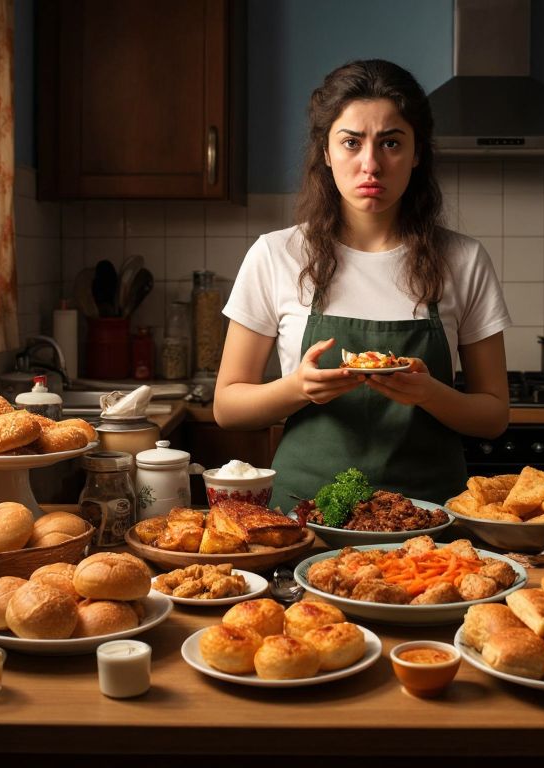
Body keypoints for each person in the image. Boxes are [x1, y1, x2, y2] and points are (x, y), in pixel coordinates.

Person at [214, 59, 511, 508]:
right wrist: (298, 387)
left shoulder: (463, 260)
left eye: (391, 142)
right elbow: (228, 406)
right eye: (351, 142)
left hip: (427, 525)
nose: (370, 164)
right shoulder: (276, 255)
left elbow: (493, 415)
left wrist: (431, 393)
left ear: (416, 154)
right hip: (304, 518)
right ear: (327, 152)